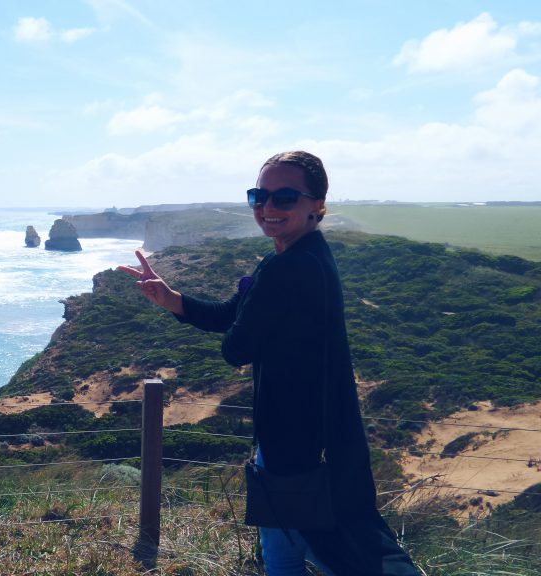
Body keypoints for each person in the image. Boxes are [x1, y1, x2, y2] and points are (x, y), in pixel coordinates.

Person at [118, 151, 419, 575]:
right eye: (259, 196)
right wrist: (171, 299)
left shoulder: (287, 268)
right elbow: (229, 313)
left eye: (284, 197)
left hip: (293, 441)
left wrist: (252, 297)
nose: (267, 208)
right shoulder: (305, 254)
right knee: (290, 546)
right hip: (305, 432)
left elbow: (235, 347)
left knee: (310, 549)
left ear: (316, 204)